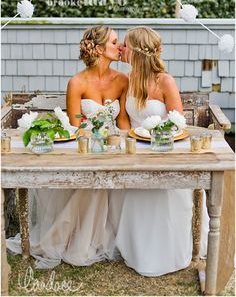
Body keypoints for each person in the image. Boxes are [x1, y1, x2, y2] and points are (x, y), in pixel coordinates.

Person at [7, 25, 130, 269]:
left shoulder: (123, 80)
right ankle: (64, 235)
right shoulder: (77, 82)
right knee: (92, 178)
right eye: (115, 42)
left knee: (109, 172)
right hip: (84, 146)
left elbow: (123, 122)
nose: (120, 47)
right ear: (98, 48)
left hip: (112, 147)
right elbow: (75, 126)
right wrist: (96, 140)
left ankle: (103, 234)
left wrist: (118, 145)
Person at [109, 26, 195, 276]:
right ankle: (137, 251)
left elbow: (178, 122)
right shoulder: (129, 77)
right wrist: (130, 143)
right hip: (135, 150)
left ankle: (167, 254)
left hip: (163, 149)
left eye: (125, 44)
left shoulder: (165, 81)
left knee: (165, 193)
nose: (121, 49)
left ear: (137, 50)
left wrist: (156, 141)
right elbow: (124, 118)